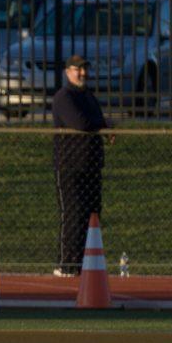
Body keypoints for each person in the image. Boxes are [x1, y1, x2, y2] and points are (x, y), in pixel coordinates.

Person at [51, 54, 112, 277]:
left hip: (91, 165)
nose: (82, 73)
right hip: (70, 166)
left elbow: (95, 119)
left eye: (84, 68)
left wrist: (103, 124)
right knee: (73, 214)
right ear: (68, 72)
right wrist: (103, 123)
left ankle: (86, 263)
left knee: (92, 214)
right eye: (78, 69)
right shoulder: (63, 97)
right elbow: (80, 123)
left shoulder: (88, 96)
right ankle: (67, 264)